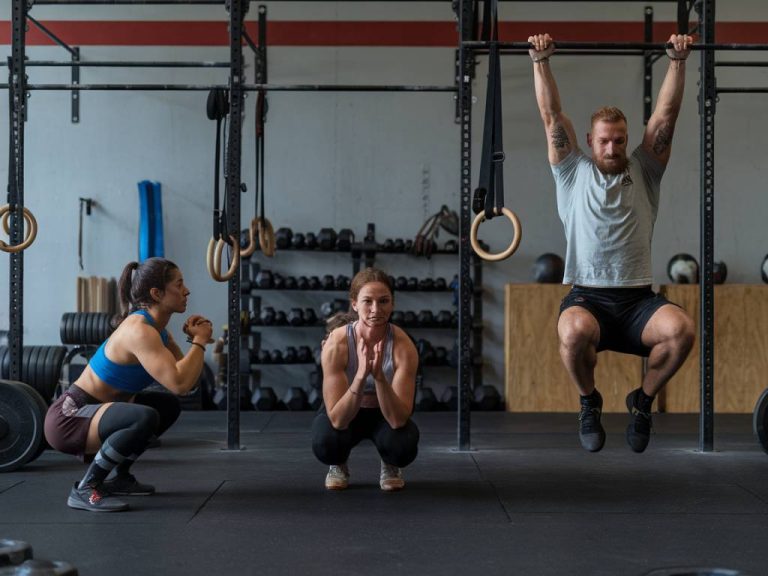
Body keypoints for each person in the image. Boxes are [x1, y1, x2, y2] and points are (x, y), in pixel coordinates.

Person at [528, 33, 696, 453]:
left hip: (638, 301)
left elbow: (667, 114)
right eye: (604, 140)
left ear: (627, 139)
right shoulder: (571, 172)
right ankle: (589, 401)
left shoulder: (645, 168)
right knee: (571, 334)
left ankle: (642, 401)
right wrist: (540, 59)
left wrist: (677, 59)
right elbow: (551, 116)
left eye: (619, 139)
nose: (612, 146)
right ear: (589, 141)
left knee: (681, 331)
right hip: (589, 299)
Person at [45, 257, 213, 512]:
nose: (187, 290)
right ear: (156, 293)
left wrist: (194, 342)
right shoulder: (139, 330)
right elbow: (180, 383)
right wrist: (200, 342)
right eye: (179, 284)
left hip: (99, 413)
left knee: (167, 407)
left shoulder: (159, 332)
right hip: (69, 418)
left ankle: (119, 477)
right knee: (142, 416)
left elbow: (188, 385)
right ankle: (86, 488)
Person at [311, 267, 420, 491]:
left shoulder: (403, 346)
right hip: (346, 411)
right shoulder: (336, 344)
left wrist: (379, 376)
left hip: (384, 413)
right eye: (367, 301)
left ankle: (390, 464)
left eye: (383, 301)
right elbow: (339, 420)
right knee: (326, 442)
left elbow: (399, 420)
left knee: (403, 445)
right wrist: (361, 375)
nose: (375, 310)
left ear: (393, 304)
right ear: (354, 304)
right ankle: (338, 464)